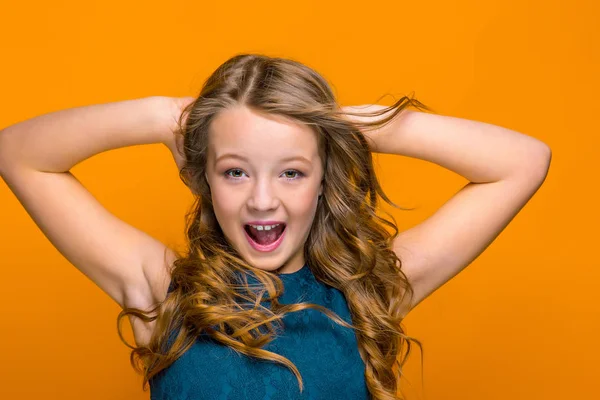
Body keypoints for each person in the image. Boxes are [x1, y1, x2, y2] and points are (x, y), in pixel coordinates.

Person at [0, 53, 551, 400]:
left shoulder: (367, 295)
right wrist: (165, 115)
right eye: (235, 171)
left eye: (291, 172)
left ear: (321, 180)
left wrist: (340, 125)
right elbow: (17, 153)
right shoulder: (162, 291)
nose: (262, 200)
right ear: (204, 180)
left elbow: (522, 161)